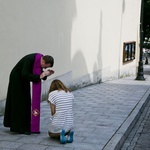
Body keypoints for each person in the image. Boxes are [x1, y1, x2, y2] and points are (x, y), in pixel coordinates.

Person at [3, 53, 54, 134]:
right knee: (20, 102)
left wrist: (46, 75)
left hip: (24, 80)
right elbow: (25, 74)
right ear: (43, 61)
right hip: (17, 78)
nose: (44, 68)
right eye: (45, 66)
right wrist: (42, 75)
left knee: (26, 101)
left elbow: (38, 74)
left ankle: (26, 125)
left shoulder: (39, 59)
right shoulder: (29, 60)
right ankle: (19, 128)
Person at [47, 79, 74, 144]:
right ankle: (67, 135)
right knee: (66, 129)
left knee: (50, 133)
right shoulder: (69, 93)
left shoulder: (52, 94)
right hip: (70, 122)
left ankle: (60, 135)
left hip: (58, 122)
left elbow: (53, 112)